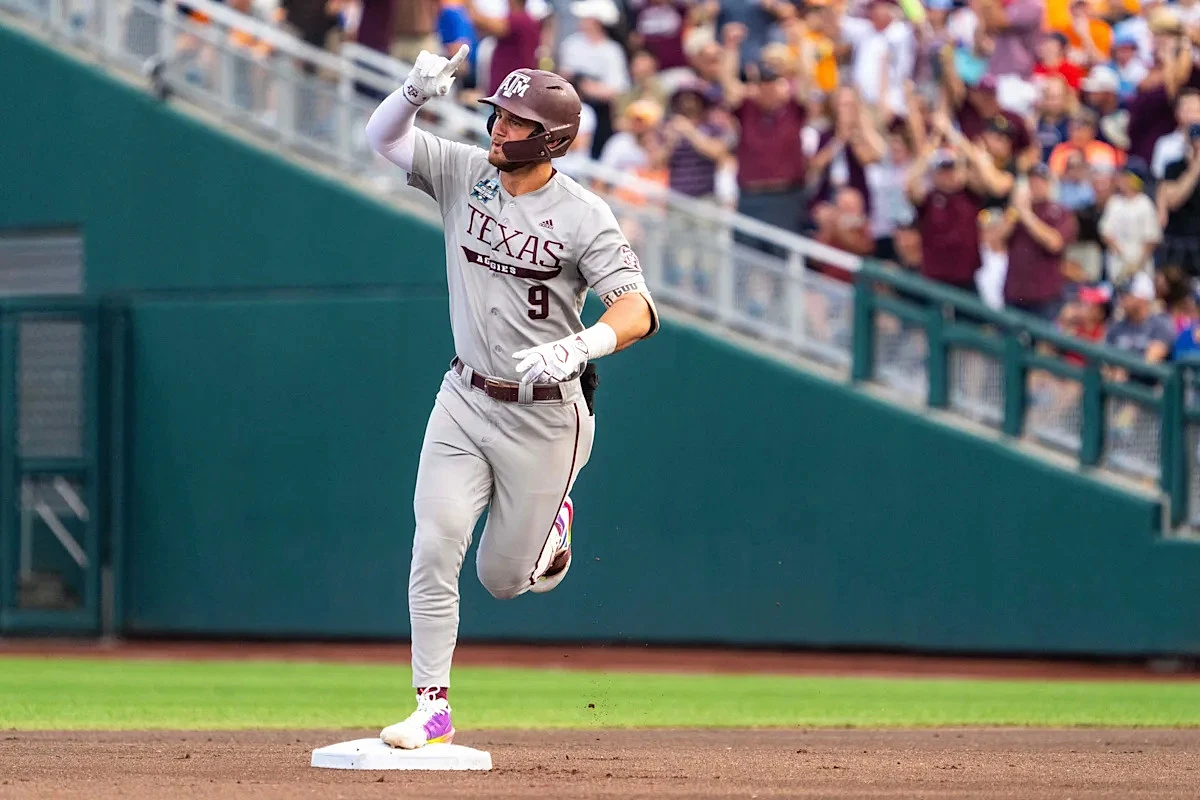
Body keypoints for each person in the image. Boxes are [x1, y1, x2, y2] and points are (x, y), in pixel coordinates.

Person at [365, 49, 658, 749]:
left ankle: (554, 525)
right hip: (464, 397)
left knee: (501, 580)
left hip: (545, 413)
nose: (498, 127)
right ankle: (432, 706)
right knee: (434, 542)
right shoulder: (466, 171)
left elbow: (638, 308)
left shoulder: (584, 215)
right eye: (498, 114)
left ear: (551, 139)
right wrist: (411, 93)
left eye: (517, 121)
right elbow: (383, 139)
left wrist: (583, 345)